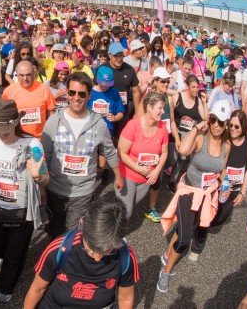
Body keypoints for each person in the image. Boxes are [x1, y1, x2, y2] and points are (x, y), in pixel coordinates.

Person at [0, 99, 49, 303]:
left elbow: (45, 177)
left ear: (15, 124)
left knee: (15, 253)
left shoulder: (32, 145)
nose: (0, 135)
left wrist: (38, 176)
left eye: (4, 130)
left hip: (23, 209)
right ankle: (2, 256)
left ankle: (7, 286)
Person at [158, 101, 231, 292]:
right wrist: (198, 127)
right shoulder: (201, 138)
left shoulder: (226, 145)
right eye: (213, 120)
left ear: (226, 125)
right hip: (189, 192)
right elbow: (182, 151)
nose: (216, 125)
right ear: (209, 119)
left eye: (221, 122)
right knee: (184, 239)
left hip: (207, 195)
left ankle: (167, 255)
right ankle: (165, 272)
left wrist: (227, 183)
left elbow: (220, 169)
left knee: (187, 227)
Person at [42, 72, 123, 238]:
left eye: (81, 94)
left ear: (89, 96)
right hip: (55, 189)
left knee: (72, 234)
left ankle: (67, 261)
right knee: (55, 231)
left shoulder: (99, 124)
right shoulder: (53, 122)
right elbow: (46, 155)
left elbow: (108, 150)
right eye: (72, 93)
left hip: (83, 191)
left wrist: (119, 176)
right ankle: (54, 259)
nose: (76, 98)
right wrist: (41, 186)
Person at [24, 194, 137, 309]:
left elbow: (125, 298)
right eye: (91, 249)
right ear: (82, 226)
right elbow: (37, 289)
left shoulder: (125, 256)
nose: (98, 258)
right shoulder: (60, 248)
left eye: (108, 251)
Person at [117, 91, 170, 220]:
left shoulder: (162, 127)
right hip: (127, 175)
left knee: (129, 206)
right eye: (160, 108)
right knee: (126, 212)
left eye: (163, 108)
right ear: (149, 108)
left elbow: (164, 152)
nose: (163, 111)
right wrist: (138, 168)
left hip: (146, 179)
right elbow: (121, 153)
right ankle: (112, 236)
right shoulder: (133, 126)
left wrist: (156, 171)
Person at [2, 60, 56, 139]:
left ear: (34, 73)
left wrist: (51, 133)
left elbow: (52, 113)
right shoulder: (9, 91)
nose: (25, 78)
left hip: (40, 139)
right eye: (21, 75)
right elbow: (3, 116)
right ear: (16, 75)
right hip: (17, 140)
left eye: (28, 75)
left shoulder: (44, 88)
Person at [104, 43, 142, 138]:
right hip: (107, 111)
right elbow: (95, 89)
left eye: (121, 55)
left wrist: (137, 113)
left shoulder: (129, 69)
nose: (119, 59)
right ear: (109, 55)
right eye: (116, 56)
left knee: (122, 138)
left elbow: (136, 91)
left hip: (123, 111)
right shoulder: (103, 68)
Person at [87, 66, 126, 136]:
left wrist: (115, 117)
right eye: (102, 84)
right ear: (97, 79)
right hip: (91, 130)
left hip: (107, 131)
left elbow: (121, 112)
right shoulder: (90, 92)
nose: (104, 86)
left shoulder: (114, 93)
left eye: (107, 84)